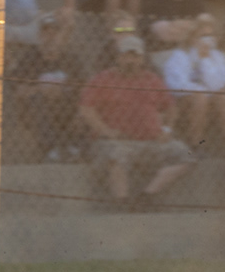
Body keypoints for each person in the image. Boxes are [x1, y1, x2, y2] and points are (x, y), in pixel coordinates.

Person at [79, 35, 192, 206]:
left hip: (153, 141)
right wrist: (106, 132)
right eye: (126, 55)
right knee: (116, 155)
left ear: (142, 58)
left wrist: (167, 130)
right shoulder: (102, 79)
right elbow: (86, 109)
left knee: (187, 156)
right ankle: (122, 201)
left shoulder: (152, 80)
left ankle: (148, 195)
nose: (130, 61)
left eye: (135, 56)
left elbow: (171, 107)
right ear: (118, 57)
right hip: (120, 141)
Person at [11, 11, 84, 161]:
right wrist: (42, 89)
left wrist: (61, 91)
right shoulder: (30, 58)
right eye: (46, 32)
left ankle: (74, 149)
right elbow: (19, 91)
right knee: (39, 101)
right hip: (38, 105)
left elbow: (84, 89)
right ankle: (51, 150)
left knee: (79, 104)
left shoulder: (72, 59)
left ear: (60, 36)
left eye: (54, 32)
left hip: (67, 104)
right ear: (39, 35)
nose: (50, 36)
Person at [161, 16, 225, 151]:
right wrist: (201, 89)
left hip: (209, 96)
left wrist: (204, 60)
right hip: (183, 99)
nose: (208, 39)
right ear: (193, 38)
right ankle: (196, 143)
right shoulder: (180, 56)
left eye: (211, 35)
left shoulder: (218, 56)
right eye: (203, 35)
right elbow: (178, 86)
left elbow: (219, 84)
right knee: (200, 97)